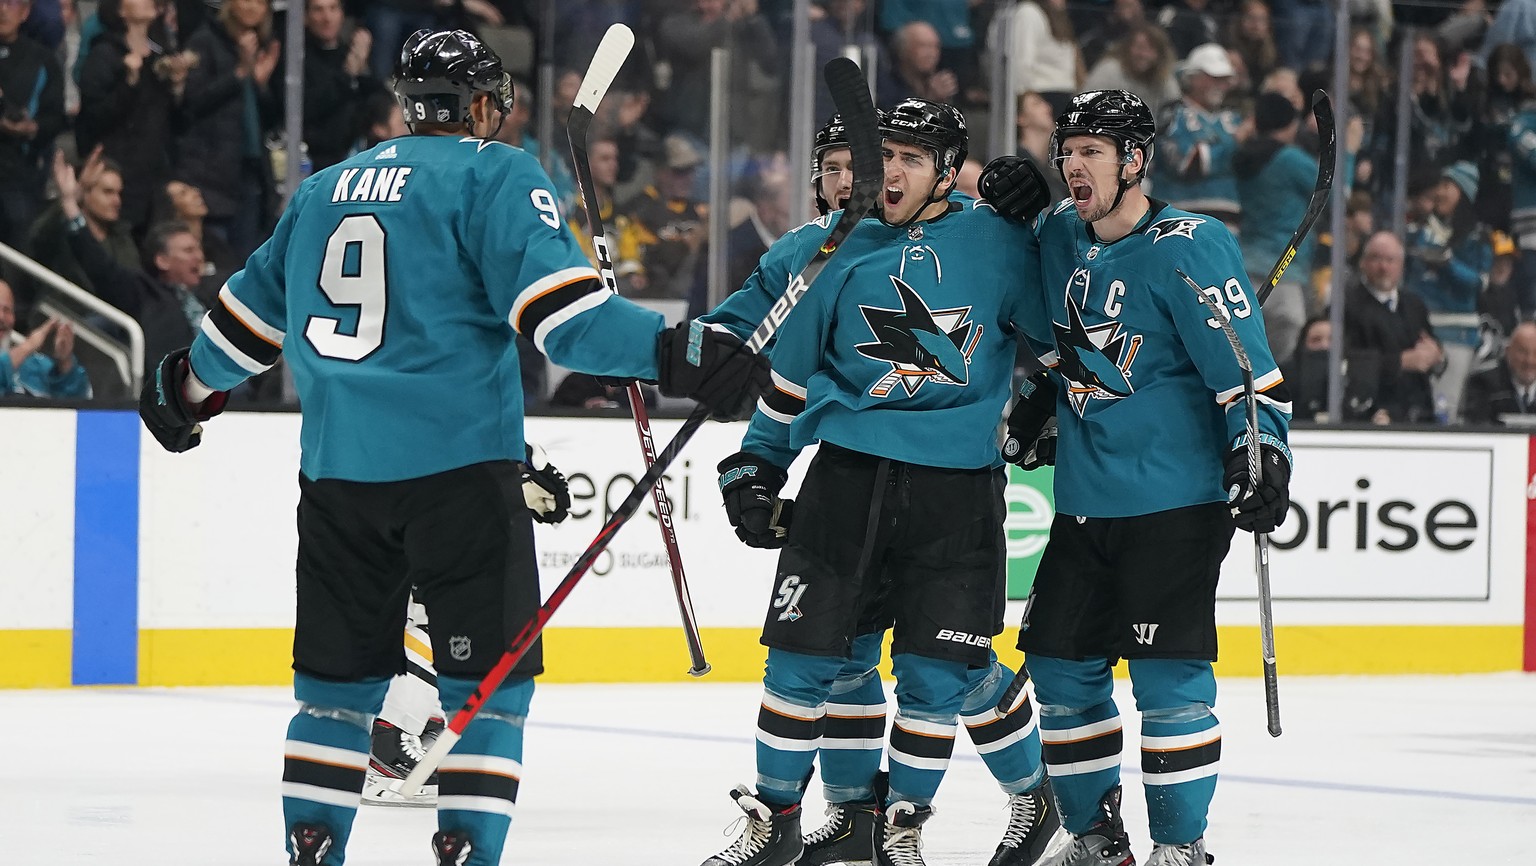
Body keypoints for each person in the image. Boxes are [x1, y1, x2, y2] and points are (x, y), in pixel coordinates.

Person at [135, 29, 768, 866]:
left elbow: (238, 335)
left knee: (331, 698)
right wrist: (677, 350)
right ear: (479, 105)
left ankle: (312, 850)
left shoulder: (323, 189)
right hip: (460, 480)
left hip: (337, 482)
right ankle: (466, 851)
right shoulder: (495, 172)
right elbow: (566, 325)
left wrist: (184, 393)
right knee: (489, 695)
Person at [697, 99, 1059, 866]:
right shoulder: (825, 250)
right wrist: (755, 459)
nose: (885, 172)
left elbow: (1075, 321)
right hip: (848, 483)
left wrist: (1046, 213)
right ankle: (789, 819)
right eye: (877, 157)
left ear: (946, 172)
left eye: (911, 158)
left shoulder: (997, 238)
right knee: (809, 656)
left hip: (954, 491)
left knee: (944, 671)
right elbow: (777, 372)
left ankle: (922, 820)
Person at [980, 89, 1292, 866]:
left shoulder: (1192, 243)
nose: (1073, 165)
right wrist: (1000, 203)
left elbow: (1251, 382)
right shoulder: (1057, 235)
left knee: (1165, 679)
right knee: (1057, 669)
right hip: (1086, 501)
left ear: (1136, 160)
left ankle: (1181, 847)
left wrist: (1264, 454)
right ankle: (1094, 837)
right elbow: (1032, 314)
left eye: (1093, 150)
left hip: (1177, 501)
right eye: (1066, 151)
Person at [1339, 231, 1444, 424]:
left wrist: (1436, 355)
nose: (1383, 267)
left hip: (1417, 412)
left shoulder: (1414, 305)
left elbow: (1431, 349)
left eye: (1390, 260)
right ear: (1363, 262)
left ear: (1402, 265)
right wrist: (1401, 362)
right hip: (1372, 411)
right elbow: (1347, 363)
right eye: (1376, 259)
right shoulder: (1346, 306)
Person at [0, 277, 90, 398]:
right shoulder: (27, 349)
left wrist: (65, 363)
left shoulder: (35, 364)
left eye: (7, 310)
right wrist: (28, 345)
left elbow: (80, 401)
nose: (1, 317)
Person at [1461, 321, 1536, 424]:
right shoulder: (1482, 383)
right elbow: (1476, 428)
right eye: (1522, 351)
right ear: (1508, 352)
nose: (1530, 361)